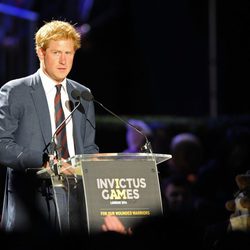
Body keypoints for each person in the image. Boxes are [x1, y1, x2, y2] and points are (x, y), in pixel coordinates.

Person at [0, 20, 99, 235]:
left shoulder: (82, 95)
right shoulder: (16, 91)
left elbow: (89, 148)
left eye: (69, 53)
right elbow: (2, 145)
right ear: (41, 53)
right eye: (56, 53)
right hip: (33, 198)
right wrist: (46, 161)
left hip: (76, 199)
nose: (64, 60)